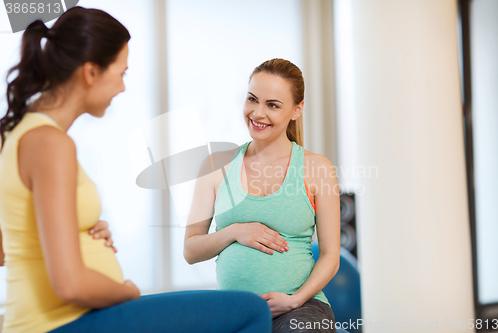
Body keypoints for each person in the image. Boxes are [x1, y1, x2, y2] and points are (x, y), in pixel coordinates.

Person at [0, 7, 271, 333]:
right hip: (60, 322)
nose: (123, 88)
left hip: (68, 318)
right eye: (121, 73)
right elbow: (69, 284)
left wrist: (78, 231)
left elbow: (12, 243)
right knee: (251, 310)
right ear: (90, 72)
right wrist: (127, 291)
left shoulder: (19, 133)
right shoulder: (49, 143)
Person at [184, 58, 341, 333]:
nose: (257, 113)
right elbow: (191, 250)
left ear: (297, 110)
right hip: (233, 310)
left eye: (272, 105)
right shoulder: (215, 166)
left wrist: (295, 301)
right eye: (252, 99)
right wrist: (234, 231)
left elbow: (330, 255)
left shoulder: (317, 168)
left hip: (301, 309)